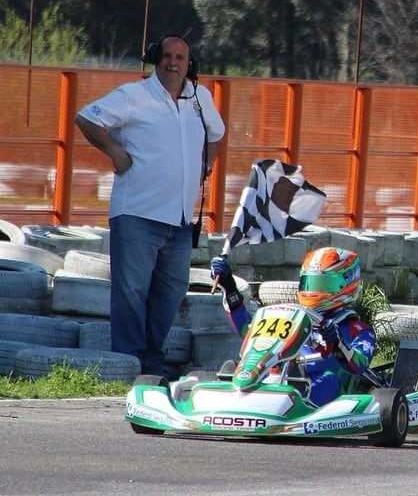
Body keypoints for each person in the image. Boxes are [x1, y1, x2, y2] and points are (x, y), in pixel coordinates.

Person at [76, 35, 225, 379]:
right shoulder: (134, 96)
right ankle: (128, 364)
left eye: (181, 57)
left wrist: (207, 166)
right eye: (168, 56)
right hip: (137, 214)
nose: (174, 63)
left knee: (171, 293)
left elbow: (216, 133)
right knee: (131, 293)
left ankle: (151, 363)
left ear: (191, 64)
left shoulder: (200, 97)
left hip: (181, 219)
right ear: (155, 58)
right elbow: (86, 118)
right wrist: (115, 152)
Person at [210, 247, 376, 406]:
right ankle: (244, 395)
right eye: (309, 283)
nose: (313, 291)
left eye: (321, 284)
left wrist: (338, 343)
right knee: (232, 367)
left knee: (329, 380)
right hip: (285, 377)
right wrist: (230, 287)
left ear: (345, 284)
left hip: (326, 390)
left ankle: (295, 405)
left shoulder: (357, 329)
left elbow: (360, 364)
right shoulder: (295, 319)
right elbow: (248, 330)